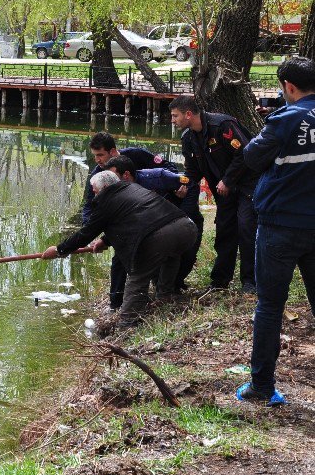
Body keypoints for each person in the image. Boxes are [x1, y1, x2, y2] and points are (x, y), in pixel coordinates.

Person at [235, 57, 315, 407]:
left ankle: (262, 387)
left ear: (289, 87)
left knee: (269, 306)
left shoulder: (286, 119)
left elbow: (252, 157)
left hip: (280, 226)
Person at [43, 171, 198, 327]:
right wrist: (105, 241)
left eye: (94, 189)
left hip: (160, 235)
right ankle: (164, 297)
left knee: (138, 276)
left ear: (104, 187)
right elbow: (134, 218)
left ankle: (127, 323)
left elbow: (86, 233)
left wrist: (59, 250)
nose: (93, 193)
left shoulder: (106, 201)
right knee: (171, 255)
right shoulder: (132, 187)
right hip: (187, 228)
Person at [81, 132, 199, 307]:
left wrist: (176, 192)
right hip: (131, 222)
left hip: (165, 214)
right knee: (121, 258)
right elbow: (90, 205)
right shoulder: (97, 176)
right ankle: (116, 303)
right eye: (95, 156)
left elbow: (172, 172)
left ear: (113, 152)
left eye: (100, 155)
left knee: (180, 251)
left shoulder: (140, 158)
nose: (97, 160)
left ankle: (170, 288)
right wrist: (92, 231)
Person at [170, 95, 258, 292]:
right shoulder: (188, 138)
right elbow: (192, 170)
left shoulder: (222, 125)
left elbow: (245, 153)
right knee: (225, 232)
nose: (172, 120)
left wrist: (228, 180)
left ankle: (250, 282)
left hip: (247, 185)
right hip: (223, 192)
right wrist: (183, 185)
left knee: (246, 229)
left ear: (188, 114)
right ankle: (219, 282)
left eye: (175, 116)